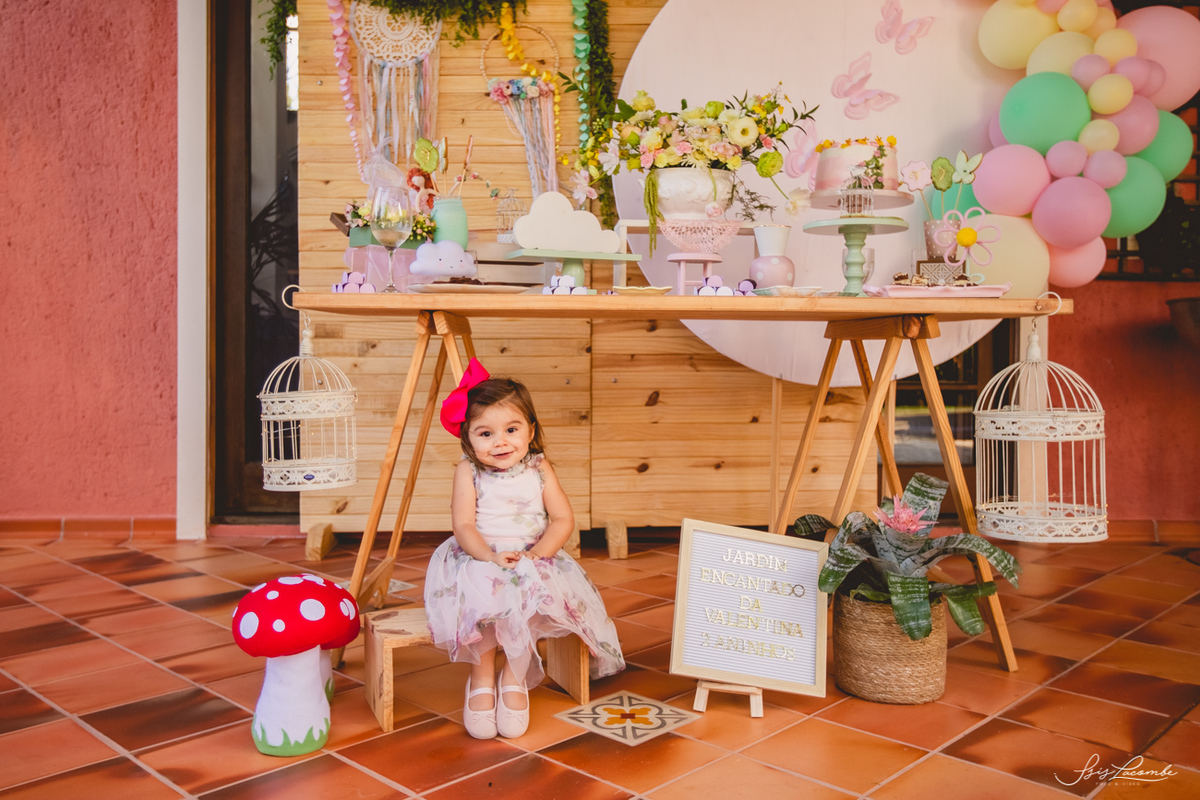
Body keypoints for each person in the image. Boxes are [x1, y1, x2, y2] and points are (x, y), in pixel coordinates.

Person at [424, 359, 625, 739]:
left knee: (532, 594)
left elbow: (562, 519)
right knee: (485, 598)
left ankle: (514, 677)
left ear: (530, 430)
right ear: (467, 438)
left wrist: (538, 555)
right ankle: (481, 677)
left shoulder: (539, 468)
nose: (500, 442)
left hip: (534, 554)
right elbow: (464, 524)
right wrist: (489, 556)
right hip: (480, 555)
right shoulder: (468, 471)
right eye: (485, 433)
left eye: (511, 429)